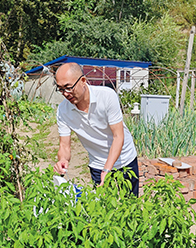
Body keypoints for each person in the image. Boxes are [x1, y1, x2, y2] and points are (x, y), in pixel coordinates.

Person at [53, 62, 140, 196]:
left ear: (83, 81)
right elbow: (64, 146)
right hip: (97, 163)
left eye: (68, 88)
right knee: (102, 210)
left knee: (129, 207)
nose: (65, 93)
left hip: (125, 160)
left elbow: (118, 136)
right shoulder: (63, 110)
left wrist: (107, 169)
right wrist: (62, 160)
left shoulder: (106, 96)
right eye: (60, 89)